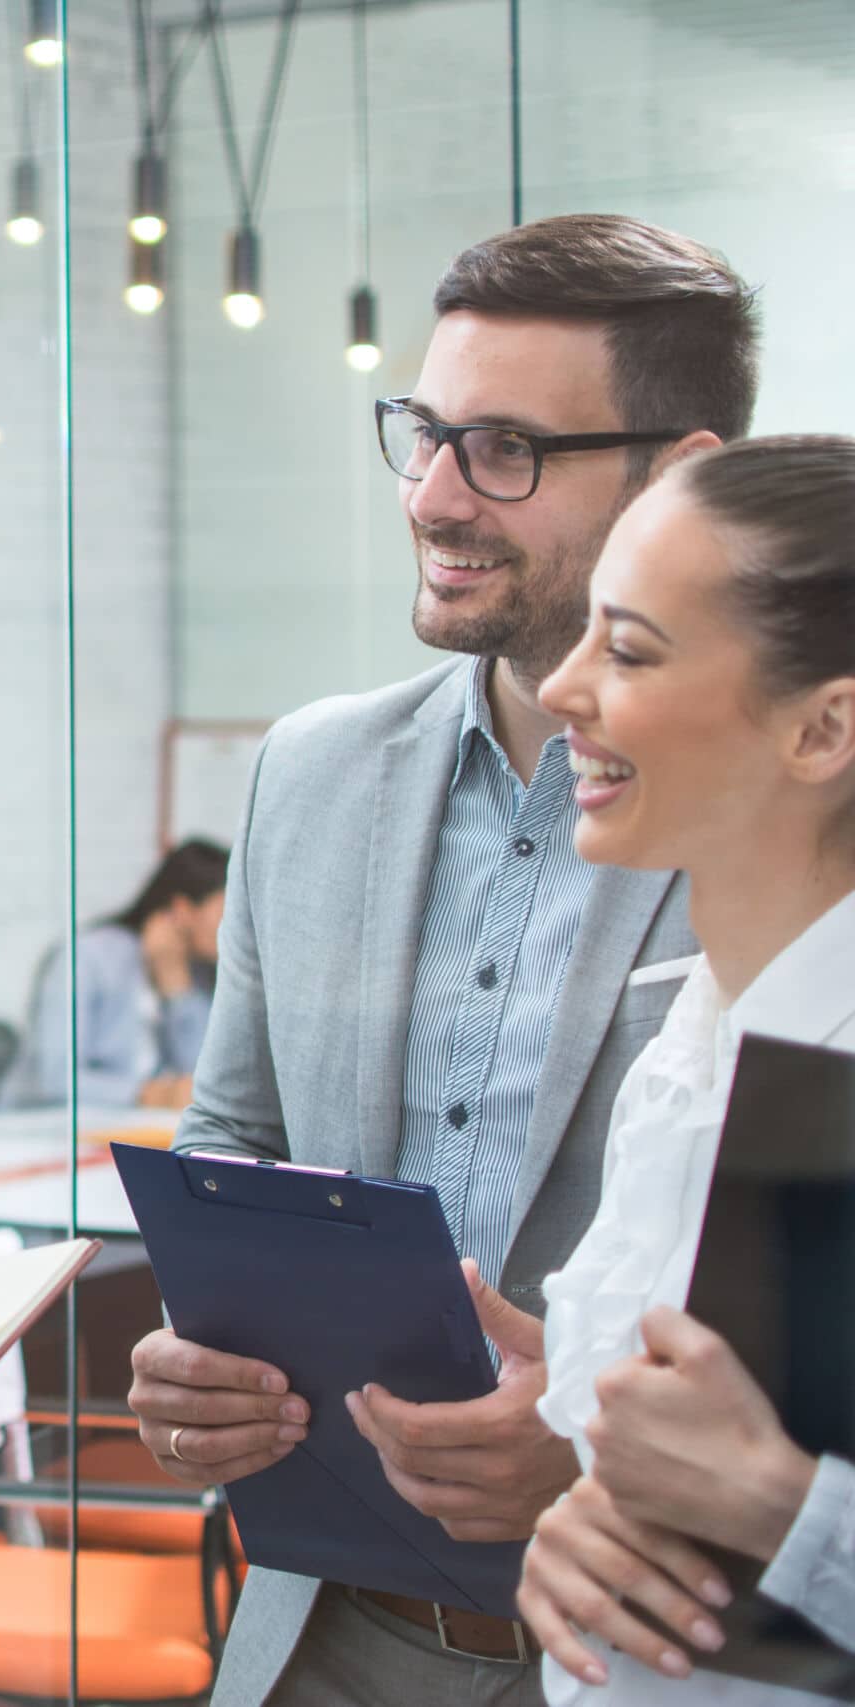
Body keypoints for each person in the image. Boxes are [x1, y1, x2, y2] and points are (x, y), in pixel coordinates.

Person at [124, 214, 759, 1706]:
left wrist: (595, 1441)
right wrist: (199, 1360)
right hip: (322, 1640)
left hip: (645, 1649)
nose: (433, 494)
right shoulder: (315, 769)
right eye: (423, 433)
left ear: (678, 474)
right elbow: (239, 1143)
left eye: (505, 450)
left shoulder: (791, 801)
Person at [512, 434, 855, 1703]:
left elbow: (757, 1504)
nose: (558, 687)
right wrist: (573, 1535)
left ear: (822, 727)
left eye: (630, 650)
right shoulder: (690, 1037)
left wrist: (783, 1512)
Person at [8, 837, 228, 1110]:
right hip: (40, 1132)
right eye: (225, 910)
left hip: (136, 1131)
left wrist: (177, 989)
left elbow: (202, 1084)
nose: (235, 927)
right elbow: (53, 1079)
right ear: (183, 909)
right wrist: (145, 1094)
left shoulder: (199, 972)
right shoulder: (88, 957)